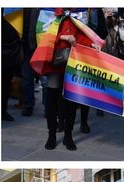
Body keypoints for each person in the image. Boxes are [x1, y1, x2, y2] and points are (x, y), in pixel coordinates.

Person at [32, 8, 101, 151]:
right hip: (54, 63)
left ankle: (68, 136)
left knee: (70, 102)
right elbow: (41, 34)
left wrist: (91, 44)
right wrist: (63, 37)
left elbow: (81, 34)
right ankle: (51, 135)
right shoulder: (49, 10)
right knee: (51, 102)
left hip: (73, 63)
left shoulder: (78, 13)